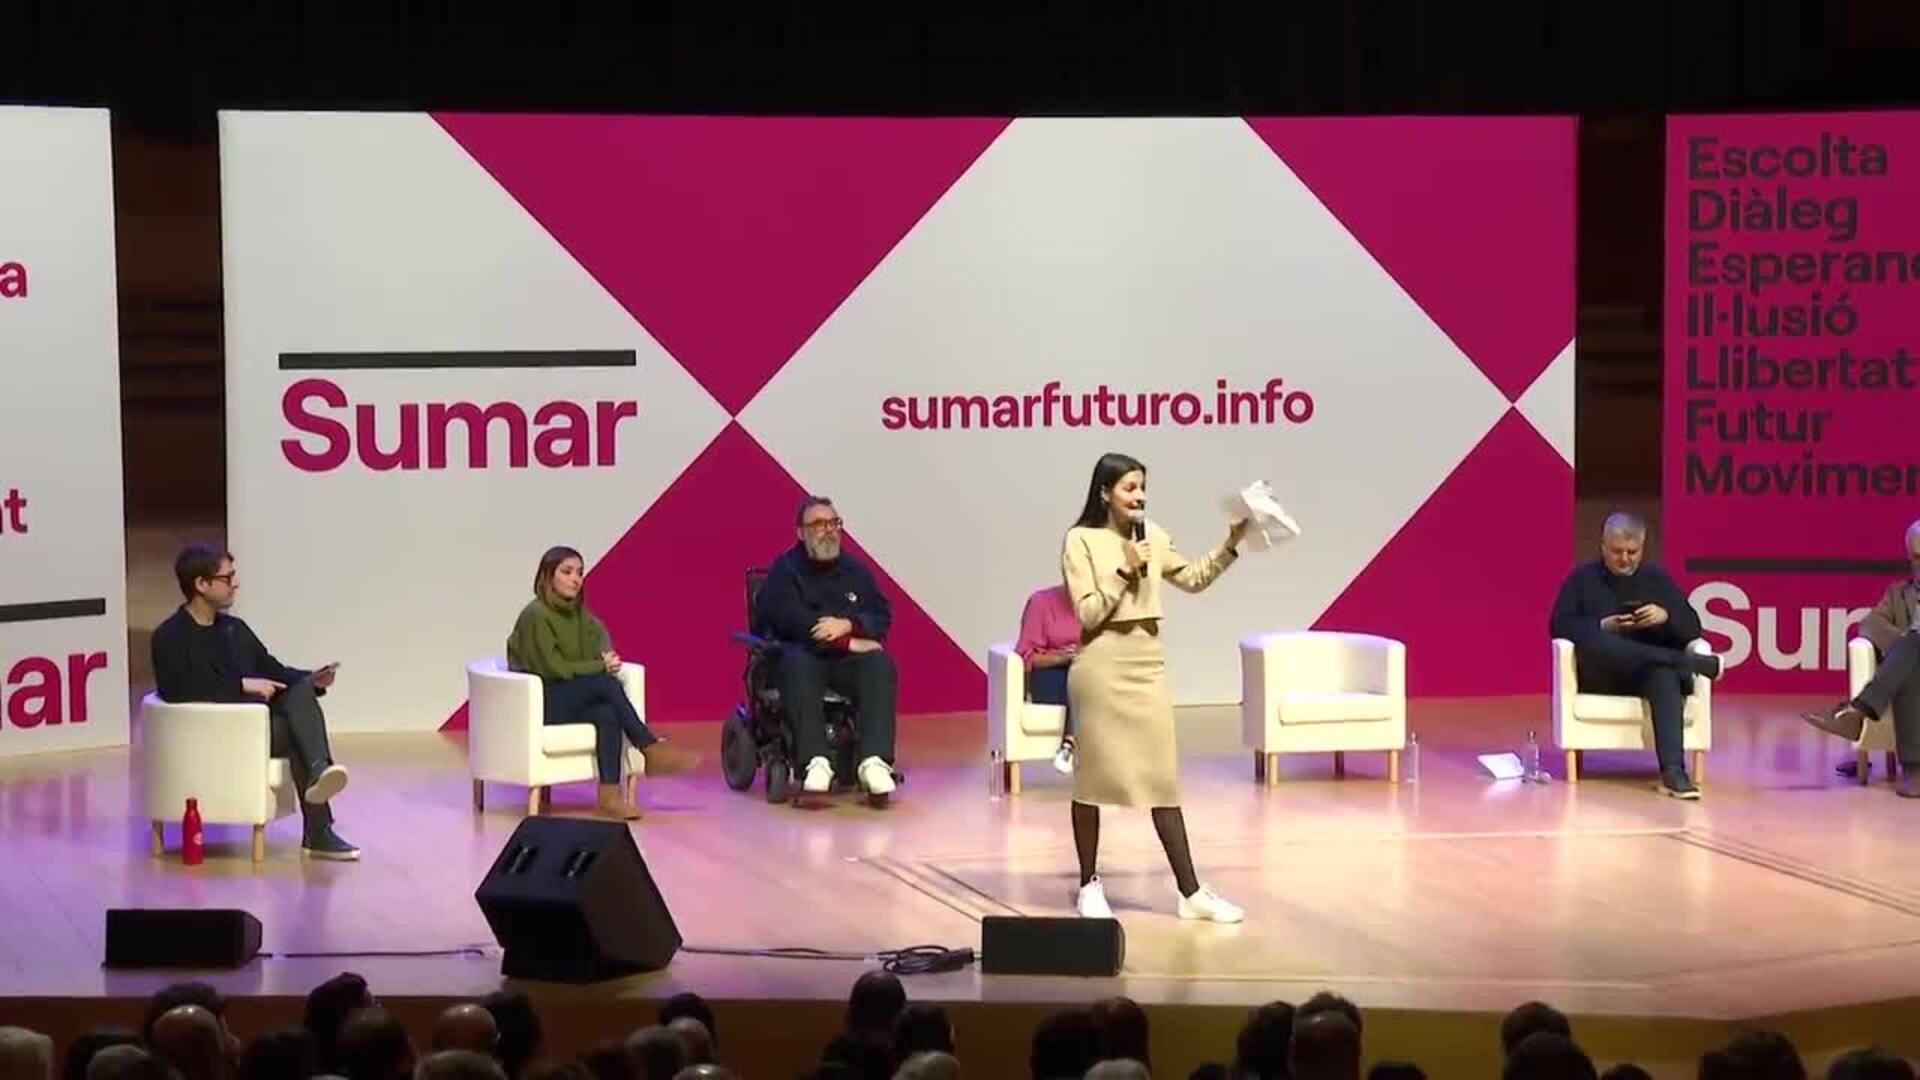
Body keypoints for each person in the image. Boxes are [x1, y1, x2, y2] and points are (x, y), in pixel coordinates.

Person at [1062, 453, 1248, 922]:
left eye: (1142, 486)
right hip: (1101, 666)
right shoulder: (1080, 540)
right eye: (1129, 487)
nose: (1139, 496)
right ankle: (1088, 884)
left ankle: (1190, 893)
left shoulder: (1155, 536)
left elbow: (1194, 578)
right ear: (1105, 492)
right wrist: (1125, 570)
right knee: (1093, 779)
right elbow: (1087, 613)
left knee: (1163, 780)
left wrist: (1230, 544)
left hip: (1147, 667)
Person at [151, 543, 358, 859]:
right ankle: (318, 824)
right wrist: (242, 685)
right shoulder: (170, 637)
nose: (235, 584)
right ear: (201, 584)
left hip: (250, 732)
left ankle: (320, 774)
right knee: (295, 733)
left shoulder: (234, 630)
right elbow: (178, 689)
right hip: (207, 737)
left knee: (299, 692)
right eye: (227, 578)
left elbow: (273, 670)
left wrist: (311, 679)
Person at [507, 546, 700, 820]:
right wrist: (600, 665)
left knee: (607, 713)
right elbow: (554, 669)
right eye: (567, 572)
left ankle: (609, 798)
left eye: (579, 573)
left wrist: (605, 656)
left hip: (569, 696)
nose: (575, 579)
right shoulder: (535, 615)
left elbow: (598, 639)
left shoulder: (579, 615)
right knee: (605, 684)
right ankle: (649, 746)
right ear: (548, 576)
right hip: (540, 701)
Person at [1548, 513, 1722, 799]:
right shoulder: (1581, 579)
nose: (1625, 559)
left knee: (1663, 674)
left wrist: (1665, 617)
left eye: (1632, 552)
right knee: (1598, 641)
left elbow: (1692, 628)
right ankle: (1685, 663)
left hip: (1645, 675)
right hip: (1601, 674)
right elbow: (1559, 625)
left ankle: (1673, 773)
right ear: (1603, 546)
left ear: (1642, 547)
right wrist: (1602, 625)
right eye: (1617, 551)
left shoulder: (1657, 579)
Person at [754, 497, 899, 802]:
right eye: (819, 524)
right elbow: (790, 621)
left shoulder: (855, 570)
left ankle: (874, 762)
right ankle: (815, 761)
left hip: (844, 663)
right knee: (797, 663)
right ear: (801, 532)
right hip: (802, 657)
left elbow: (880, 615)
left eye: (834, 523)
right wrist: (847, 640)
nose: (829, 530)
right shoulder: (785, 571)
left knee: (879, 663)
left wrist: (850, 624)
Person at [1805, 519, 1920, 797]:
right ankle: (1914, 771)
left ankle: (1856, 712)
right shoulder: (1898, 594)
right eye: (1918, 557)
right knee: (1911, 657)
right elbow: (1870, 624)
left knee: (1911, 649)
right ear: (1909, 558)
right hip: (1913, 672)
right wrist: (1907, 642)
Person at [1014, 584, 1080, 774]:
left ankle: (1069, 745)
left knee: (1084, 678)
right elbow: (1027, 657)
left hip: (1084, 672)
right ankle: (1069, 746)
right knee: (1078, 682)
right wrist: (1063, 657)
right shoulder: (1041, 602)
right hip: (1049, 675)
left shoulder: (1100, 605)